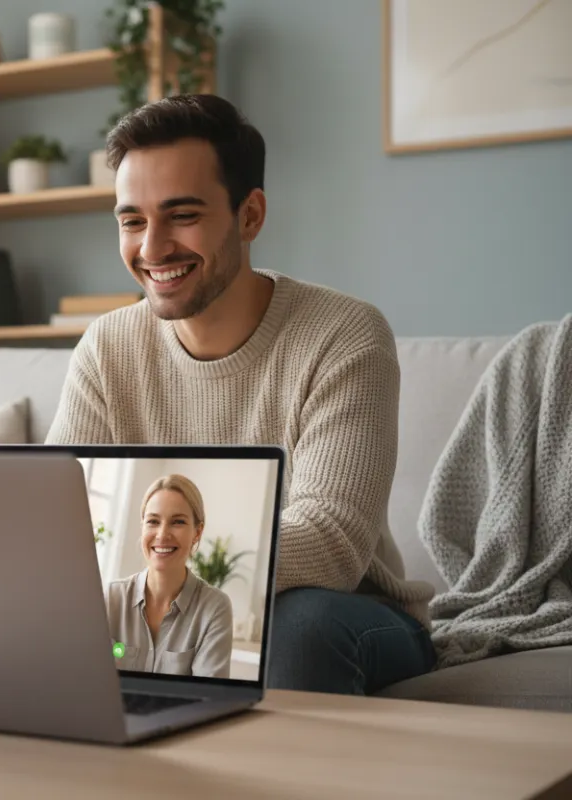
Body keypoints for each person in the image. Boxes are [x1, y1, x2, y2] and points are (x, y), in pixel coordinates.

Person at [47, 94, 437, 695]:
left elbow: (331, 541)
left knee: (297, 626)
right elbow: (56, 515)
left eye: (182, 215)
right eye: (132, 221)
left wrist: (159, 573)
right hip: (164, 608)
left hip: (351, 613)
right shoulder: (106, 348)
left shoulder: (345, 334)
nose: (152, 249)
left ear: (250, 215)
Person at [106, 474, 233, 678]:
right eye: (153, 521)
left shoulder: (214, 608)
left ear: (197, 532)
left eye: (178, 522)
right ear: (143, 526)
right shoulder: (110, 598)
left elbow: (208, 697)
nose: (162, 534)